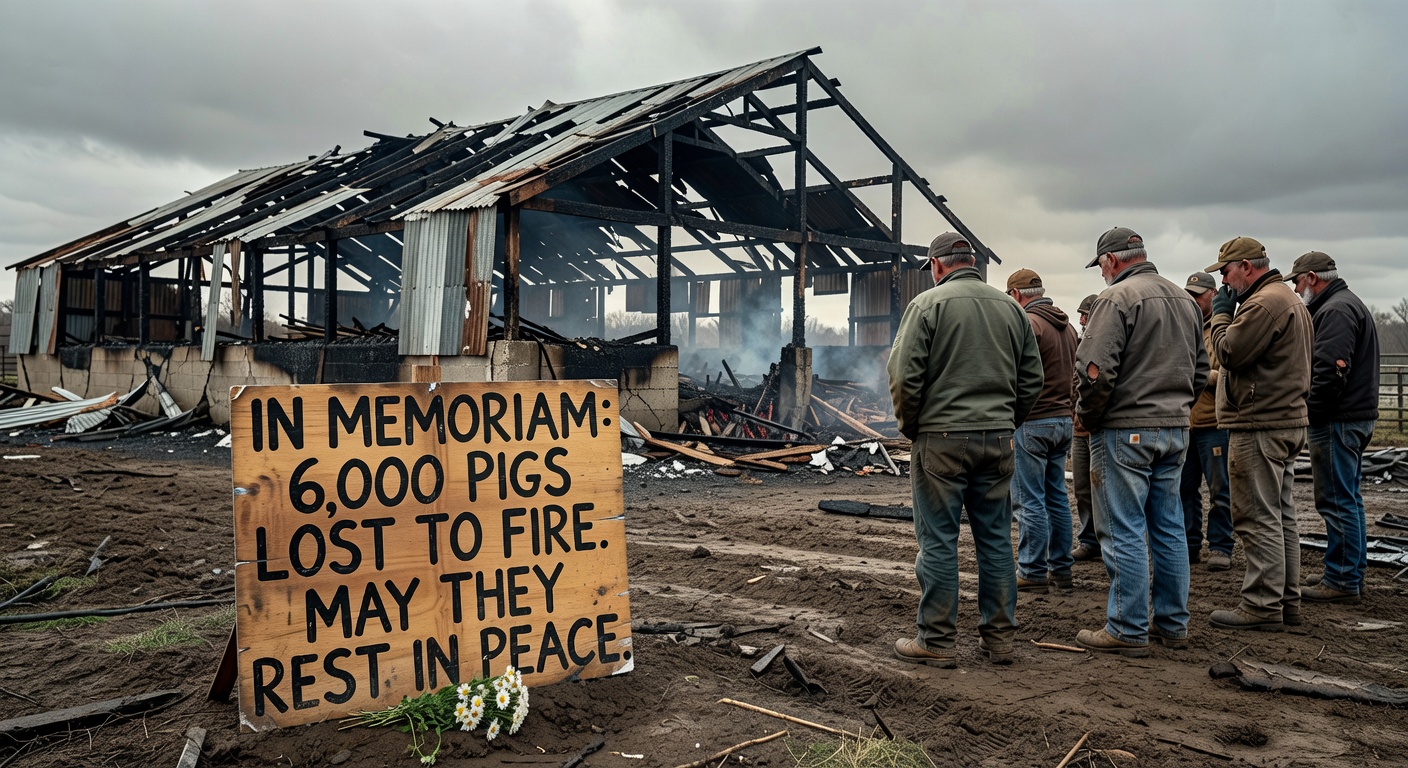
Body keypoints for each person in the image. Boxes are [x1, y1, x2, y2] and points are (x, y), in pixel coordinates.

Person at [888, 232, 1043, 667]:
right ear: (973, 262)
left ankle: (936, 641)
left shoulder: (927, 306)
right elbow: (1032, 379)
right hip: (997, 438)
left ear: (936, 266)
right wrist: (1006, 422)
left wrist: (913, 426)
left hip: (940, 439)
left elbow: (904, 377)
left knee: (938, 539)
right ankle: (1000, 641)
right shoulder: (1011, 307)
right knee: (995, 539)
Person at [1074, 227, 1207, 657]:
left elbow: (1095, 371)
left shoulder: (1116, 299)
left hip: (1125, 429)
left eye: (1101, 266)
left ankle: (1127, 627)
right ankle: (1172, 624)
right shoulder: (1185, 300)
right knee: (1168, 525)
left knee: (1122, 525)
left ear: (1111, 261)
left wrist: (1090, 420)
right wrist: (1178, 408)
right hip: (1175, 428)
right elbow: (1201, 371)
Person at [1205, 237, 1312, 632]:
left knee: (1255, 516)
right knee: (1281, 516)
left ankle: (1261, 605)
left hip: (1259, 423)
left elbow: (1230, 352)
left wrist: (1220, 316)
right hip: (1286, 420)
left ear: (1246, 267)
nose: (1225, 284)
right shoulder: (1289, 299)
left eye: (1227, 273)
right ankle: (1286, 602)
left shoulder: (1263, 303)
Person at [1287, 251, 1380, 604]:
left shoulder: (1335, 311)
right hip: (1353, 416)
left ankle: (1341, 578)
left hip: (1338, 418)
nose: (1296, 290)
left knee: (1336, 499)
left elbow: (1330, 370)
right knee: (1348, 497)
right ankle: (1347, 570)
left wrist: (1310, 413)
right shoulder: (1344, 303)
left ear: (1312, 277)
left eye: (1297, 281)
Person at [1005, 269, 1079, 591]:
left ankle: (1032, 571)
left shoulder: (1029, 324)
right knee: (1057, 498)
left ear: (1017, 295)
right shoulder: (1068, 327)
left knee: (1028, 500)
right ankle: (1061, 569)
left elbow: (1015, 371)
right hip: (1063, 422)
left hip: (1033, 422)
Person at [1181, 272, 1234, 571]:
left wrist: (1194, 374)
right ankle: (1189, 546)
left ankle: (1221, 545)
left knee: (1219, 489)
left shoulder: (1221, 328)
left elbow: (1224, 371)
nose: (1192, 298)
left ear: (1213, 294)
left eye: (1197, 293)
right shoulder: (1188, 327)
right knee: (1184, 489)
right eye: (1189, 293)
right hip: (1187, 424)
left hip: (1213, 424)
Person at [1071, 294, 1101, 562]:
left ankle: (1106, 541)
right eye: (1080, 315)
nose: (1081, 320)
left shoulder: (1105, 345)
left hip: (1099, 430)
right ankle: (1089, 540)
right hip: (1079, 430)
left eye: (1086, 315)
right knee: (1082, 488)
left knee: (1101, 488)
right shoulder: (1079, 345)